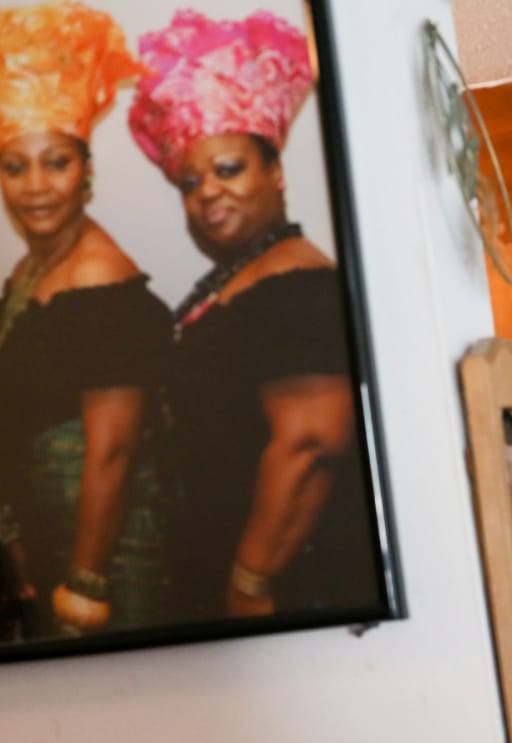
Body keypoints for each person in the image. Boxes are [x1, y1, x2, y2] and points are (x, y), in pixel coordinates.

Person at [128, 10, 375, 622]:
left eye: (228, 168)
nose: (207, 190)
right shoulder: (245, 274)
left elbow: (313, 439)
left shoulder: (296, 282)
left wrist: (249, 582)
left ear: (276, 173)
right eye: (190, 181)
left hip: (282, 587)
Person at [0, 2, 171, 639]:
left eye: (57, 163)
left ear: (87, 173)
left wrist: (85, 588)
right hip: (51, 547)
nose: (36, 186)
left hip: (107, 567)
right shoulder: (29, 269)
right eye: (15, 167)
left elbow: (115, 452)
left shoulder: (100, 281)